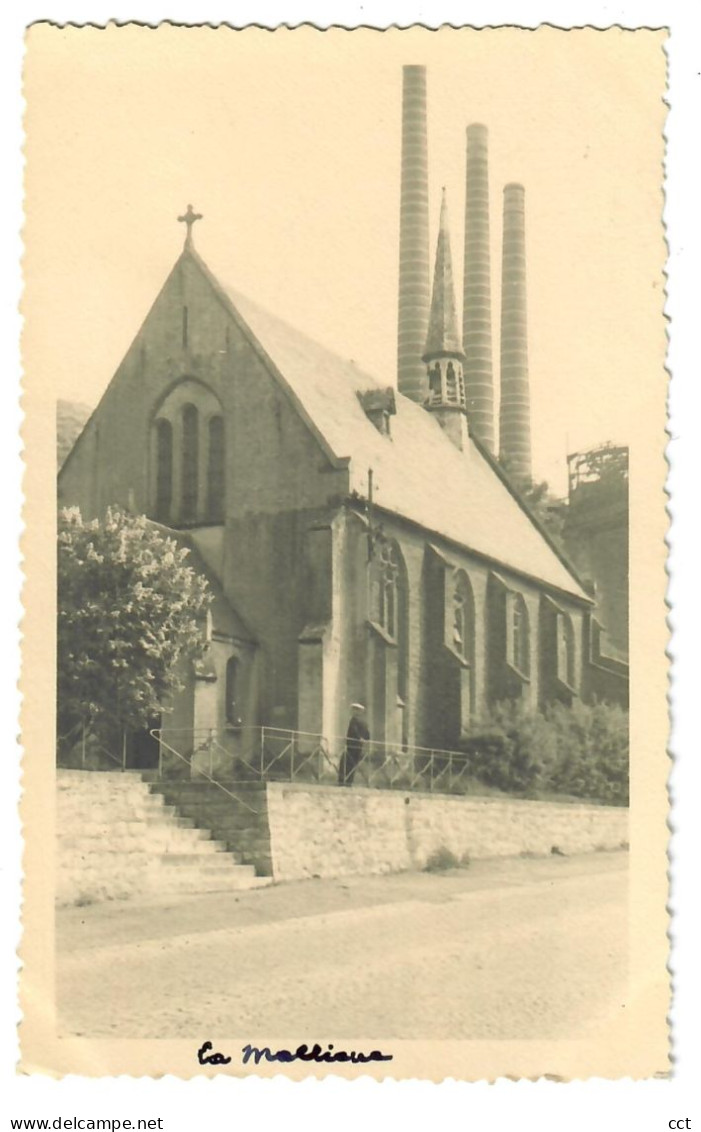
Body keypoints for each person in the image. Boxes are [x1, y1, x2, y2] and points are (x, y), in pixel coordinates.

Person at [338, 703, 370, 786]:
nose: (353, 711)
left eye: (355, 709)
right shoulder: (364, 722)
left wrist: (359, 738)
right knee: (353, 764)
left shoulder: (354, 720)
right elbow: (368, 735)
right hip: (359, 747)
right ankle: (349, 782)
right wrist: (363, 739)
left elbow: (353, 730)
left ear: (358, 711)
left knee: (345, 763)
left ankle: (343, 782)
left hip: (351, 746)